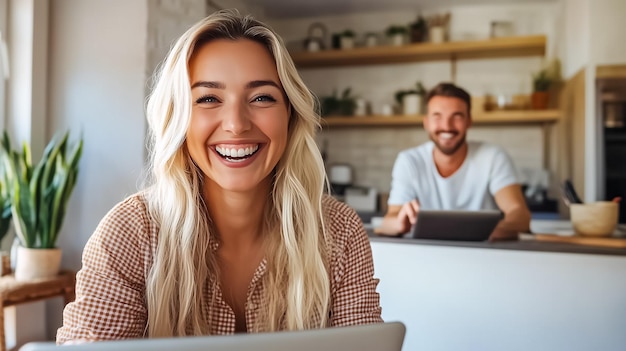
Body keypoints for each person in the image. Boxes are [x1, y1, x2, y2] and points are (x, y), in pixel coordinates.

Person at [56, 9, 382, 343]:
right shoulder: (130, 233)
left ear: (291, 115)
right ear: (178, 118)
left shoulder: (338, 232)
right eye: (209, 98)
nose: (237, 124)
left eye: (261, 97)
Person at [376, 82, 531, 240]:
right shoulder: (409, 161)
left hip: (484, 255)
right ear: (426, 122)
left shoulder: (493, 157)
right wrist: (400, 223)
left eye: (456, 116)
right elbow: (389, 220)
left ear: (469, 121)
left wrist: (496, 230)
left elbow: (518, 213)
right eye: (437, 116)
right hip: (426, 256)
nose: (446, 126)